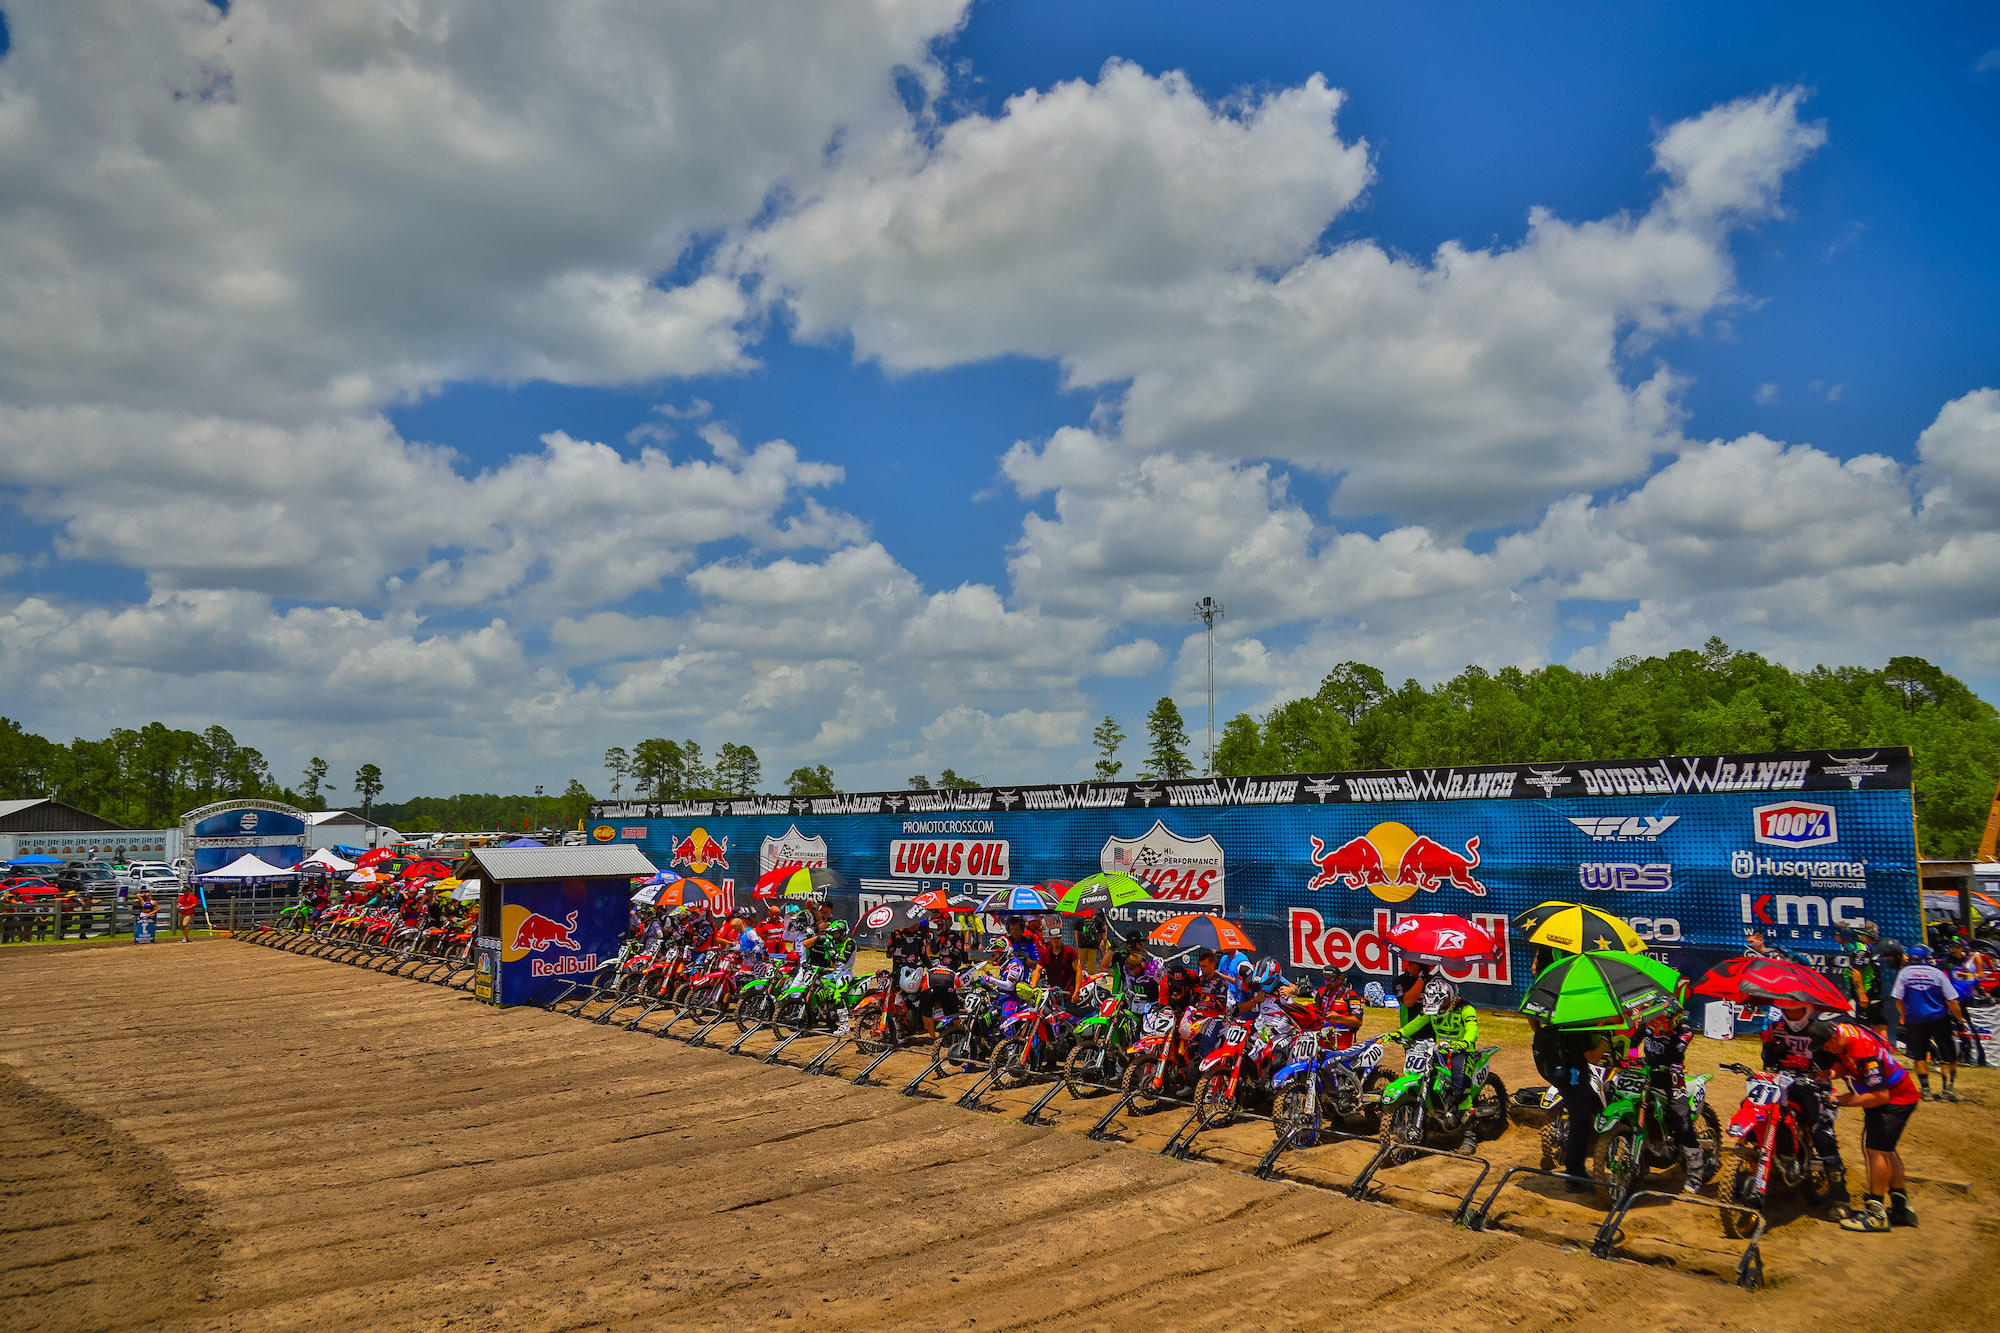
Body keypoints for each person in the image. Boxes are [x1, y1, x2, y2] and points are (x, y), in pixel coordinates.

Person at [1815, 1017, 1923, 1232]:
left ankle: (1876, 1214)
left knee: (1875, 1152)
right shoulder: (1845, 1032)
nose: (1827, 1050)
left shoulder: (1863, 1051)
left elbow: (1881, 1096)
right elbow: (1846, 1062)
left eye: (1828, 1045)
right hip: (1900, 1095)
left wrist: (1841, 1101)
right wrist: (1833, 1073)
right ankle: (1901, 1208)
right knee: (1887, 1151)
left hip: (1894, 1101)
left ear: (1834, 1036)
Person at [1393, 978, 1484, 1153]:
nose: (1438, 1009)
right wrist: (1399, 1033)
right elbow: (1416, 1023)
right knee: (1423, 1075)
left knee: (1461, 1088)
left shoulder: (1466, 1009)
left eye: (1441, 1004)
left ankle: (1470, 1139)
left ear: (1449, 998)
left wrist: (1465, 1042)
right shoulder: (1432, 1010)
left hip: (1462, 1051)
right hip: (1439, 1050)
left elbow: (1473, 1028)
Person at [1761, 1002, 1845, 1187]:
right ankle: (1778, 1157)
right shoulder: (1778, 1028)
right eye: (1788, 1011)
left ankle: (1840, 1194)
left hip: (1814, 1084)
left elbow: (1837, 1060)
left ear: (1807, 1010)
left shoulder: (1820, 1030)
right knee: (1763, 1112)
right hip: (1784, 1083)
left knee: (1821, 1131)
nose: (1792, 1015)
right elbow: (1768, 1062)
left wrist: (1826, 1074)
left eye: (1797, 1010)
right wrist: (1769, 1045)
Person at [1629, 1003, 1707, 1192]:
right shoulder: (1648, 1023)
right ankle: (1641, 1157)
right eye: (1653, 1018)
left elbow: (1676, 1051)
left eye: (1658, 1019)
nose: (1654, 1023)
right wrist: (1631, 1056)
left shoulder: (1684, 1029)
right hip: (1648, 1072)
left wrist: (1669, 1060)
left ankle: (1696, 1172)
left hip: (1672, 1076)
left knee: (1681, 1121)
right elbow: (1634, 1041)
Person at [1892, 945, 1964, 1101]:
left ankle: (1926, 1091)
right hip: (1939, 1019)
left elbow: (1898, 1000)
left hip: (1915, 1020)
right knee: (1948, 1056)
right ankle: (1948, 1089)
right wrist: (1960, 1019)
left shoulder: (1903, 973)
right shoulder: (1937, 973)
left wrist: (1904, 1016)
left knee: (1919, 1056)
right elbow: (1951, 1000)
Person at [1073, 911, 1103, 975]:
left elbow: (1076, 932)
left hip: (1082, 945)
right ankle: (1091, 981)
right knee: (1091, 965)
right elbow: (1101, 934)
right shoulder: (1098, 921)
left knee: (1080, 964)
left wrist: (1078, 943)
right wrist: (1098, 943)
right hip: (1093, 946)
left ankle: (1079, 980)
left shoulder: (1079, 920)